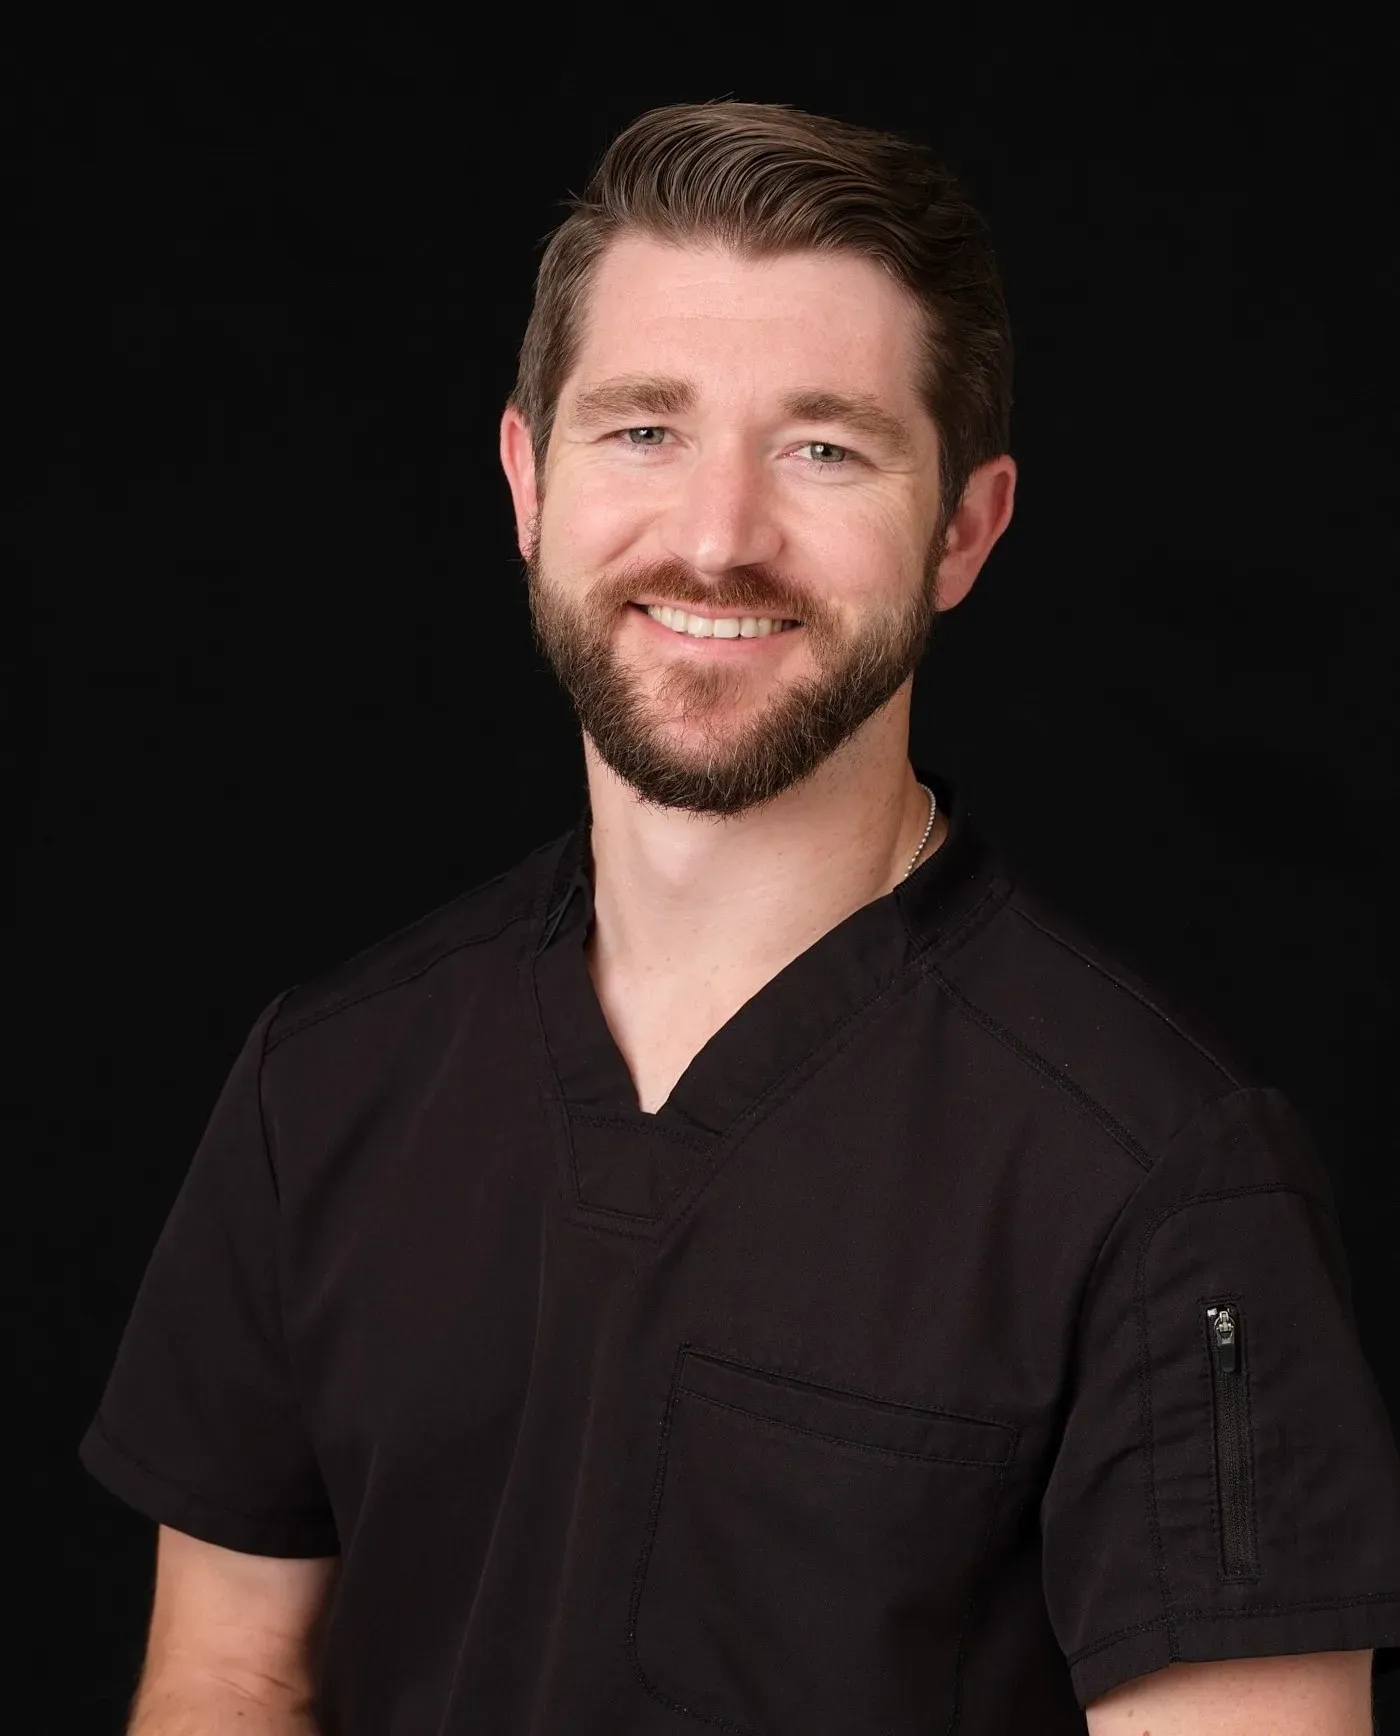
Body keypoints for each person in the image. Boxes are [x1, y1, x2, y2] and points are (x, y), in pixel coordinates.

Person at [80, 100, 1400, 1734]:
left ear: (965, 531)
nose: (717, 536)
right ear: (525, 478)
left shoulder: (1163, 1183)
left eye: (824, 447)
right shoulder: (327, 1079)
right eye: (644, 428)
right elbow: (224, 1676)